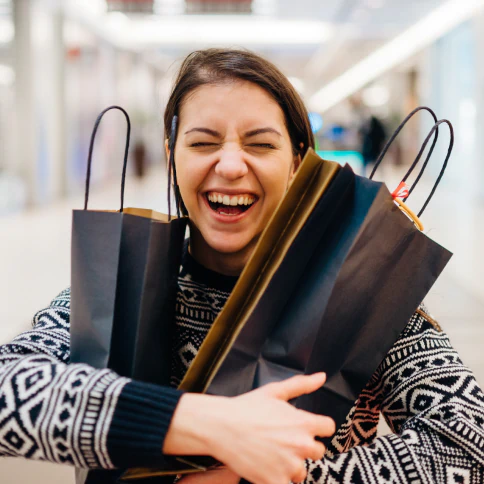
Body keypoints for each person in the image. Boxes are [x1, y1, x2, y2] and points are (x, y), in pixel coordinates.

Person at [1, 48, 483, 484]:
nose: (231, 165)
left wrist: (273, 473)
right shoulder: (113, 292)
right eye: (203, 142)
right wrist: (206, 425)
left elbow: (468, 443)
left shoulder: (361, 299)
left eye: (260, 144)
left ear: (299, 162)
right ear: (172, 158)